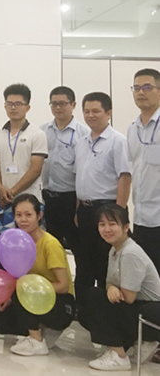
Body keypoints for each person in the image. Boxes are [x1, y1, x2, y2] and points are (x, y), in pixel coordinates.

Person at [0, 194, 75, 356]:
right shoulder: (18, 242)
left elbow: (63, 286)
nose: (23, 220)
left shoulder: (50, 244)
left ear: (39, 215)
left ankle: (37, 340)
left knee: (21, 288)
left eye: (28, 215)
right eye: (18, 215)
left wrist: (34, 288)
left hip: (60, 303)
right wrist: (9, 298)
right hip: (35, 296)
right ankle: (40, 329)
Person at [78, 203, 160, 371]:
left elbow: (128, 298)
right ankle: (134, 344)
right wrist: (111, 288)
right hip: (139, 307)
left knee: (95, 297)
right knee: (87, 311)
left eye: (112, 224)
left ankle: (119, 356)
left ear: (126, 227)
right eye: (102, 224)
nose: (106, 229)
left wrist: (111, 289)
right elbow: (109, 282)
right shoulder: (115, 250)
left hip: (151, 314)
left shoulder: (130, 253)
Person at [75, 92, 132, 304]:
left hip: (107, 209)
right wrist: (78, 209)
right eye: (86, 111)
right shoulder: (81, 141)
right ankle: (84, 307)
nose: (90, 115)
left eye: (96, 111)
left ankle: (105, 307)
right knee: (84, 261)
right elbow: (80, 178)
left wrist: (118, 213)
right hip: (85, 210)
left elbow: (125, 177)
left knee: (105, 263)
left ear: (108, 113)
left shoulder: (118, 141)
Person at [0, 83, 48, 233]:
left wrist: (12, 192)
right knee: (5, 241)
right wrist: (0, 189)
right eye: (9, 104)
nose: (13, 108)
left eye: (18, 104)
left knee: (32, 242)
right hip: (3, 201)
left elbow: (35, 170)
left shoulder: (37, 134)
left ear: (27, 107)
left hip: (30, 201)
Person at [40, 86, 88, 252]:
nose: (58, 107)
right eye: (54, 104)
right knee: (50, 247)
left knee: (78, 247)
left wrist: (78, 207)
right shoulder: (42, 131)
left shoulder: (84, 134)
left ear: (73, 105)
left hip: (71, 198)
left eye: (62, 103)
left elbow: (83, 173)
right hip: (47, 197)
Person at [128, 68, 160, 271]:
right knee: (146, 274)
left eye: (147, 87)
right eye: (136, 88)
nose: (141, 92)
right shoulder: (133, 128)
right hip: (140, 217)